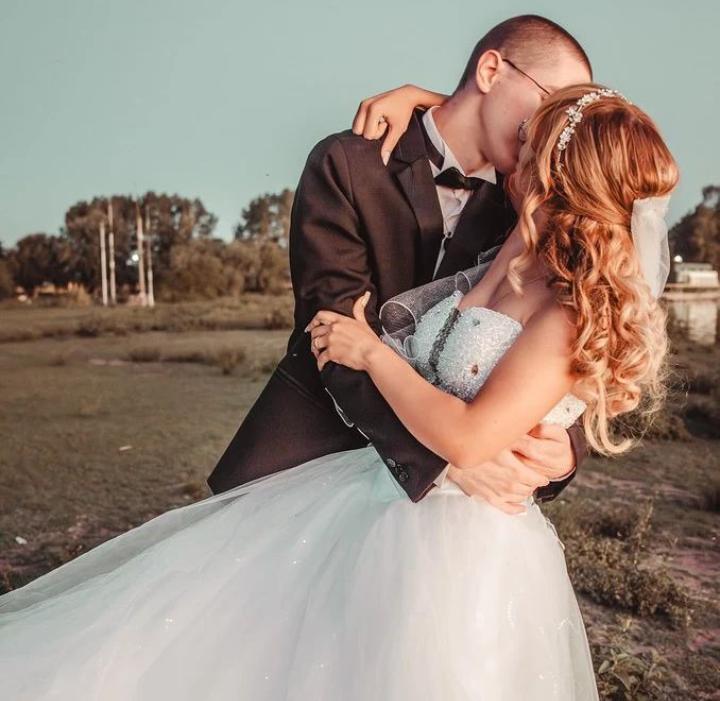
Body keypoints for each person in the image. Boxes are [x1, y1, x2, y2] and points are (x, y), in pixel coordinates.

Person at [0, 83, 677, 700]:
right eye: (524, 125)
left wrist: (375, 355)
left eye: (532, 140)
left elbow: (472, 435)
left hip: (464, 550)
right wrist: (422, 100)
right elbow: (498, 110)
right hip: (370, 495)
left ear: (555, 173)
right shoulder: (515, 242)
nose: (517, 143)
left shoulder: (566, 312)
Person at [208, 15, 595, 513]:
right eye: (552, 100)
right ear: (491, 70)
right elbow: (333, 329)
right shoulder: (348, 164)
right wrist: (443, 456)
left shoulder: (528, 204)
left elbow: (569, 321)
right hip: (312, 453)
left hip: (451, 507)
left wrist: (567, 447)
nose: (557, 125)